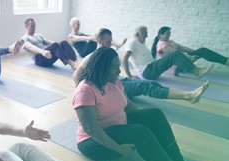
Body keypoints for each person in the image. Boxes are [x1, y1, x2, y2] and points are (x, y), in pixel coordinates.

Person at [73, 47, 214, 161]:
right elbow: (91, 129)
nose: (119, 71)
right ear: (102, 68)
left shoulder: (114, 82)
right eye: (115, 67)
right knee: (139, 132)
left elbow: (128, 105)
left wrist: (150, 123)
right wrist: (120, 149)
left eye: (118, 66)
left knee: (154, 114)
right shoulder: (85, 90)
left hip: (117, 126)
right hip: (94, 143)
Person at [72, 28, 209, 104]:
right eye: (106, 41)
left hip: (120, 82)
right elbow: (76, 76)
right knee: (147, 86)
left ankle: (189, 95)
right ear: (99, 40)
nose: (109, 43)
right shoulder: (92, 56)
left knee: (150, 83)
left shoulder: (108, 53)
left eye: (110, 41)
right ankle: (188, 96)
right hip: (112, 87)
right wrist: (86, 98)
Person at [122, 26, 214, 80]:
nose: (147, 35)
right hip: (147, 71)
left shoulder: (140, 42)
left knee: (175, 55)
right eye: (145, 33)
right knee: (175, 54)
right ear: (138, 35)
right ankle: (196, 71)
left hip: (152, 68)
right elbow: (125, 59)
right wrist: (129, 76)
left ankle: (186, 68)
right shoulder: (132, 43)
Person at [151, 26, 229, 69]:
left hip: (182, 60)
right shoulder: (162, 45)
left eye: (170, 33)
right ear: (160, 35)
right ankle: (226, 61)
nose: (169, 35)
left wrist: (195, 52)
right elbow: (177, 54)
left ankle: (226, 61)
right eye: (167, 33)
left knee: (202, 51)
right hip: (176, 65)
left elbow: (182, 48)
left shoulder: (170, 41)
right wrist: (190, 56)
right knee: (203, 51)